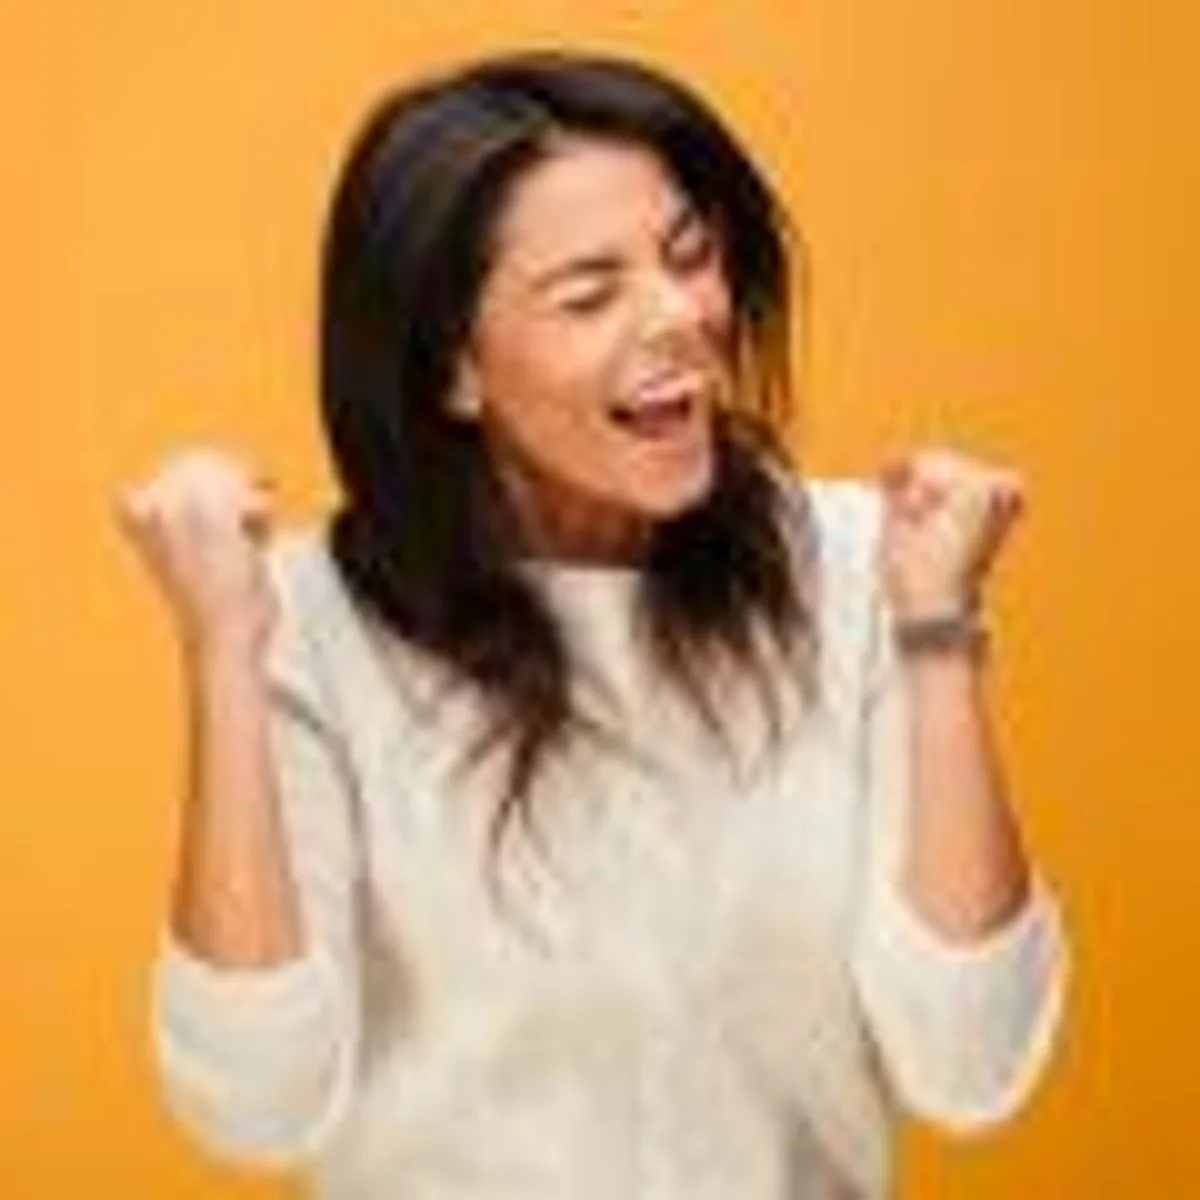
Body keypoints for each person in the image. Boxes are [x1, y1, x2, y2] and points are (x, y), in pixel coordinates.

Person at [116, 48, 1067, 1200]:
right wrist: (224, 653)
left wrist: (939, 634)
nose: (681, 317)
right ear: (456, 370)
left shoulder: (872, 566)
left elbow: (971, 1065)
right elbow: (253, 1105)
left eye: (689, 255)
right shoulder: (306, 619)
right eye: (589, 294)